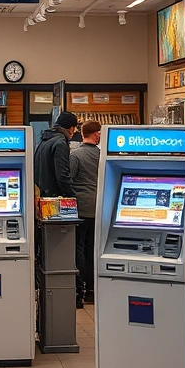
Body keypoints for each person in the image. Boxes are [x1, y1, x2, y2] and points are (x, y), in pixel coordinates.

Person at [69, 120, 101, 308]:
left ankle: (79, 289)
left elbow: (70, 179)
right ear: (95, 134)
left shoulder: (76, 155)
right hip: (98, 208)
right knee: (92, 250)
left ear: (82, 134)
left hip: (80, 208)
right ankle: (92, 290)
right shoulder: (102, 155)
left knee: (79, 249)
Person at [34, 112, 79, 198]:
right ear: (71, 128)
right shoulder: (60, 143)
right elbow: (62, 174)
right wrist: (71, 195)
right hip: (54, 197)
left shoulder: (43, 141)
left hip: (42, 195)